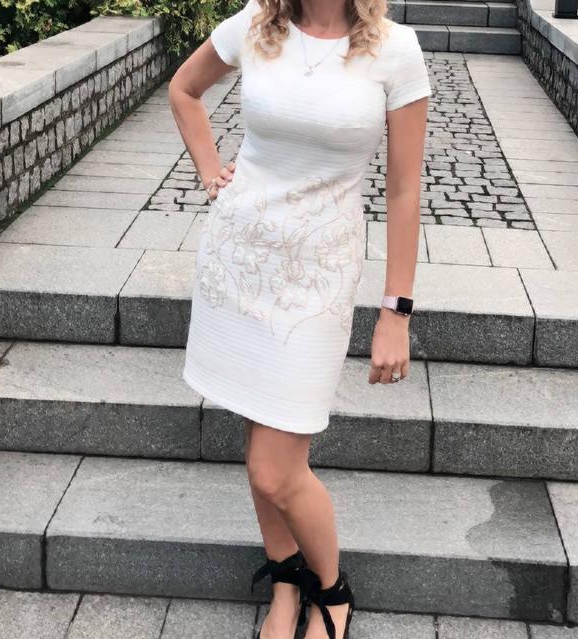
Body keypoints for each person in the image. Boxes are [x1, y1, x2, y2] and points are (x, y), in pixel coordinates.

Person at [168, 0, 431, 636]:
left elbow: (404, 190)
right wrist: (211, 171)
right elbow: (184, 89)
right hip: (239, 263)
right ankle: (286, 584)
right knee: (262, 437)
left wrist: (396, 310)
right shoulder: (255, 23)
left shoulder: (395, 49)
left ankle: (333, 592)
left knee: (273, 465)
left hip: (317, 279)